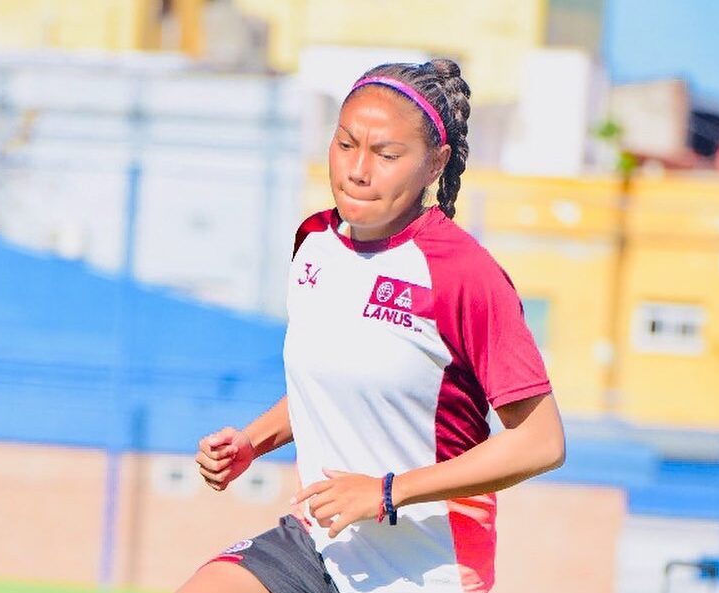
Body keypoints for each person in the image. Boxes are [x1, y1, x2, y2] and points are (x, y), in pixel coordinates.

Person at [178, 59, 565, 593]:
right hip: (316, 544)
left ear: (435, 165)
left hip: (426, 570)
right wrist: (251, 442)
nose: (358, 169)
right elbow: (340, 380)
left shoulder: (463, 274)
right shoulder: (314, 241)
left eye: (386, 154)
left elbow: (540, 442)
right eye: (344, 145)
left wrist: (387, 491)